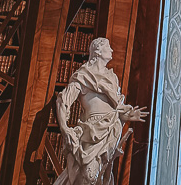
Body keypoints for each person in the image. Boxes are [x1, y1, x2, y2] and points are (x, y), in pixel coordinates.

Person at [55, 37, 147, 185]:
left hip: (109, 130)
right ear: (97, 51)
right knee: (88, 176)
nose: (111, 50)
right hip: (91, 131)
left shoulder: (112, 78)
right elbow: (63, 101)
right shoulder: (83, 75)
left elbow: (116, 107)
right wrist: (65, 128)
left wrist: (128, 114)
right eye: (108, 47)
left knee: (101, 176)